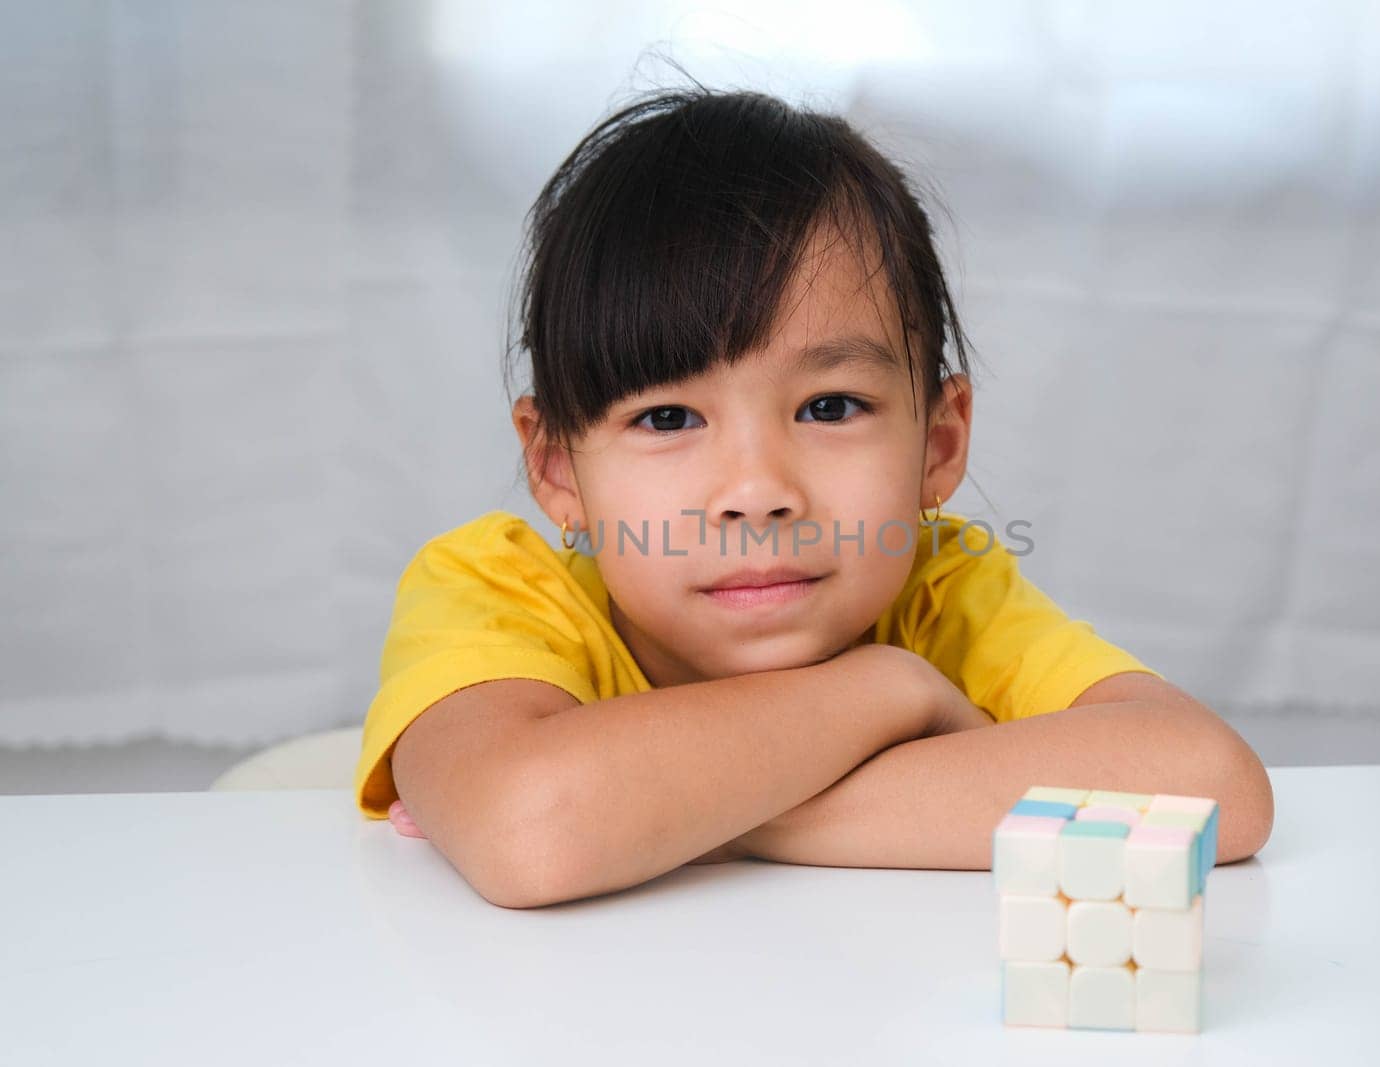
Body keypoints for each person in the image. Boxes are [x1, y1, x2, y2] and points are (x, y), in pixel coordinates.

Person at [353, 80, 1274, 908]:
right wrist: (886, 690)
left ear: (938, 444)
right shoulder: (495, 586)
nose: (757, 492)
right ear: (558, 468)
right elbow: (535, 831)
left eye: (831, 405)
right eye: (669, 418)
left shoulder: (939, 587)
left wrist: (665, 812)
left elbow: (1214, 789)